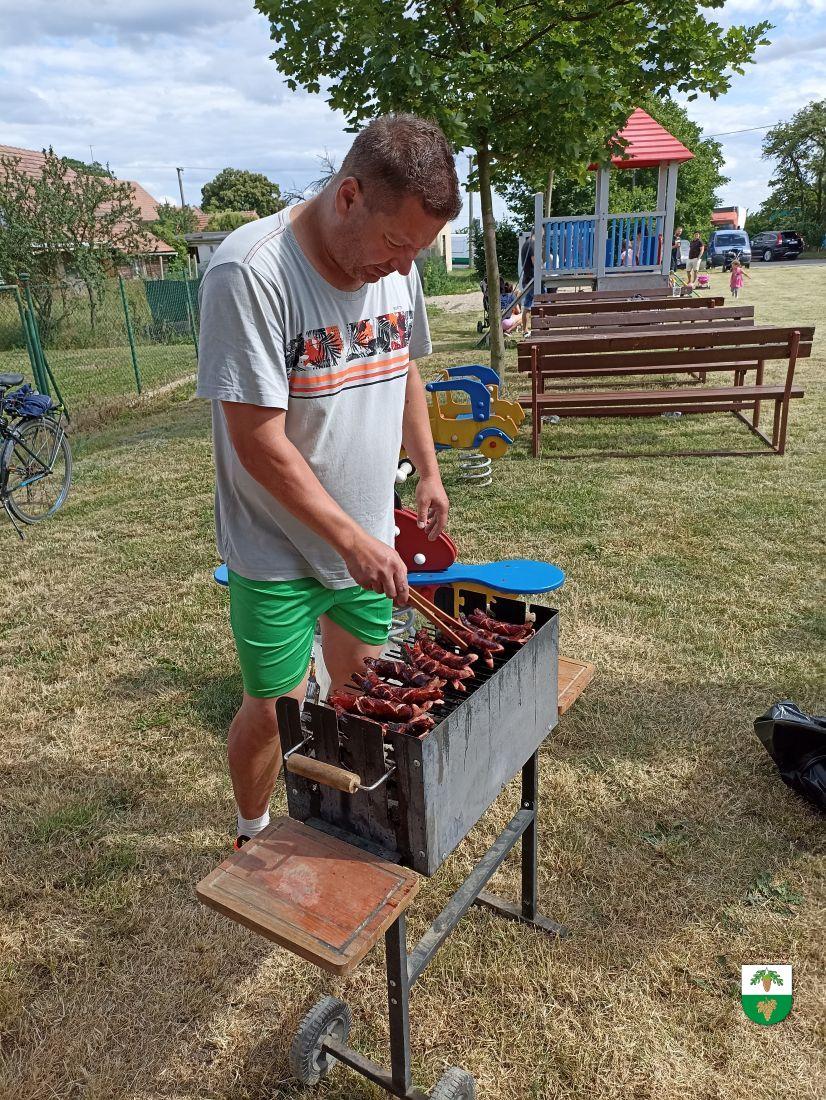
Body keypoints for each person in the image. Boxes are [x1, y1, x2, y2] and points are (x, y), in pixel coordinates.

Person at [195, 114, 461, 848]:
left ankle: (351, 824)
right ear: (349, 196)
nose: (404, 268)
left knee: (361, 694)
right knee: (272, 709)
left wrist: (428, 470)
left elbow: (404, 368)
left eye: (418, 251)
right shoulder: (251, 273)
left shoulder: (398, 270)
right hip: (275, 548)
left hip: (367, 537)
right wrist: (349, 540)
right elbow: (257, 441)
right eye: (397, 244)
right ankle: (252, 830)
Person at [520, 231, 535, 334]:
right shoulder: (532, 244)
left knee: (527, 306)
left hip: (526, 279)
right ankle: (542, 328)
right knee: (543, 304)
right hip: (533, 279)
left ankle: (525, 330)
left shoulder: (526, 243)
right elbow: (535, 261)